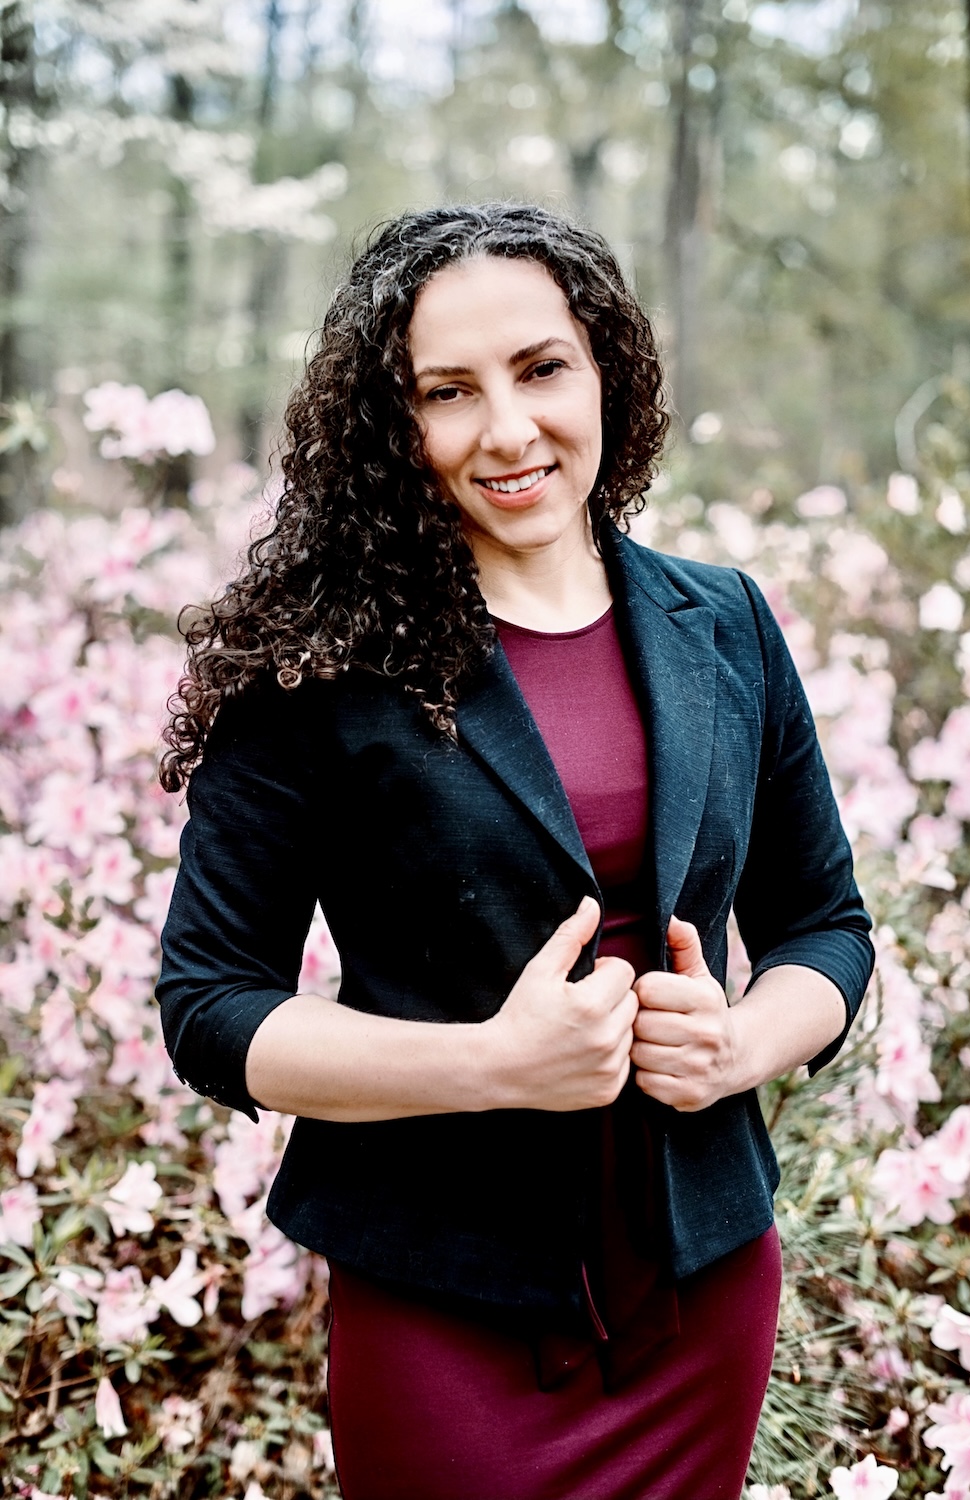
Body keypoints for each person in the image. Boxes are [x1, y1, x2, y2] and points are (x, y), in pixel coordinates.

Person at [156, 203, 875, 1500]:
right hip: (442, 1298)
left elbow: (827, 924)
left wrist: (740, 1049)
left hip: (701, 1284)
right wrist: (493, 1063)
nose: (508, 429)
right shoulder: (313, 672)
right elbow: (211, 1007)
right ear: (395, 424)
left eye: (542, 368)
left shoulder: (727, 619)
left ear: (605, 366)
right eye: (448, 391)